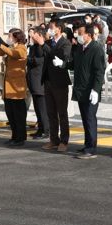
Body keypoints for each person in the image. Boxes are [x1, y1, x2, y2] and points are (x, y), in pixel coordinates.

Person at [0, 29, 29, 146]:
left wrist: (0, 43)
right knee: (10, 114)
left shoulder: (21, 47)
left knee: (18, 115)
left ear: (16, 37)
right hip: (8, 86)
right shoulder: (10, 47)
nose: (8, 38)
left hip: (17, 87)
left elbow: (14, 54)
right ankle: (14, 136)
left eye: (10, 36)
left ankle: (20, 138)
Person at [36, 23, 72, 152]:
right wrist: (39, 43)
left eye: (52, 27)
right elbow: (41, 54)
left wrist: (43, 45)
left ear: (59, 29)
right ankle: (54, 139)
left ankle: (64, 140)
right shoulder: (48, 42)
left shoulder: (65, 43)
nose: (50, 30)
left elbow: (60, 56)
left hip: (60, 83)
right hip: (48, 81)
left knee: (62, 113)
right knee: (51, 113)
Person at [71, 24, 105, 159]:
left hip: (91, 91)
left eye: (80, 33)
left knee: (90, 118)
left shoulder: (96, 49)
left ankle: (91, 149)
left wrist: (96, 90)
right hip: (81, 89)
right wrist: (62, 63)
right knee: (85, 119)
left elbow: (99, 72)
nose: (78, 35)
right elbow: (74, 64)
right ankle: (87, 145)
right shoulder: (80, 48)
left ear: (89, 35)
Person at [26, 28, 49, 139]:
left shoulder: (43, 47)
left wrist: (27, 59)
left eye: (33, 35)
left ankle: (45, 130)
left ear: (40, 35)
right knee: (37, 109)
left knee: (42, 109)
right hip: (33, 81)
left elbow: (39, 61)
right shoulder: (33, 47)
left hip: (40, 82)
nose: (32, 37)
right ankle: (40, 129)